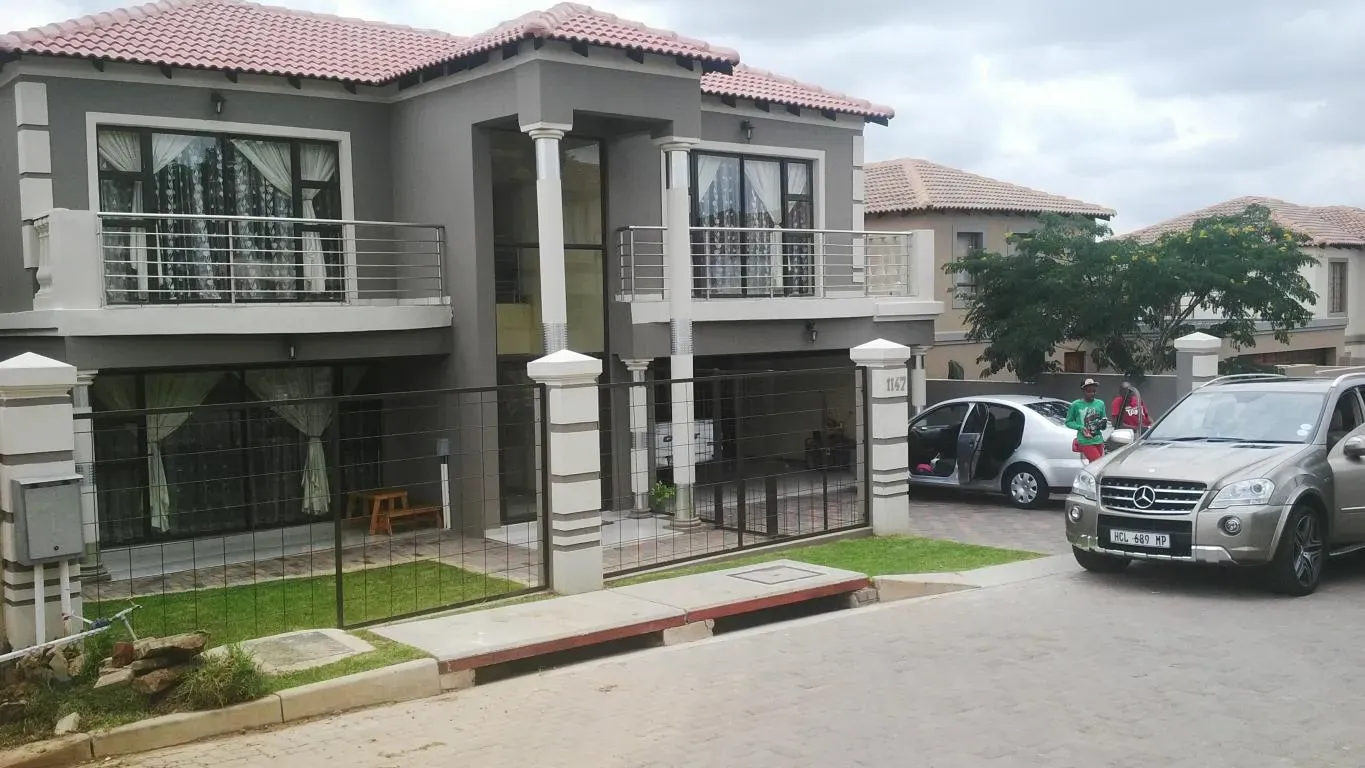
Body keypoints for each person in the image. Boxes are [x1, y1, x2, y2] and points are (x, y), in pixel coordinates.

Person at [1067, 378, 1109, 464]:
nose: (1092, 393)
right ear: (1083, 391)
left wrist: (1103, 424)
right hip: (1085, 441)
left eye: (1094, 391)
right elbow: (1068, 422)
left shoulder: (1100, 403)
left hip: (1098, 440)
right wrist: (1080, 428)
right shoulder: (1076, 405)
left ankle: (1087, 478)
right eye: (1089, 391)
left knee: (1094, 467)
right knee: (1098, 464)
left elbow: (1103, 424)